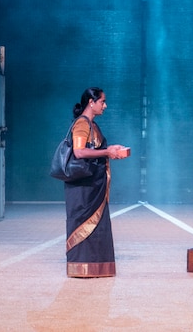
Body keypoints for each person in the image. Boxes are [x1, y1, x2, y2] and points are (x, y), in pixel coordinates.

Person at [63, 87, 129, 278]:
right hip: (83, 187)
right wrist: (107, 152)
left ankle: (95, 266)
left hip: (94, 185)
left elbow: (94, 149)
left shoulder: (93, 125)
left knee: (98, 226)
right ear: (91, 102)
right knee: (83, 223)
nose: (105, 105)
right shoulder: (82, 124)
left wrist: (112, 150)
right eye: (102, 101)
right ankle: (81, 266)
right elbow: (79, 152)